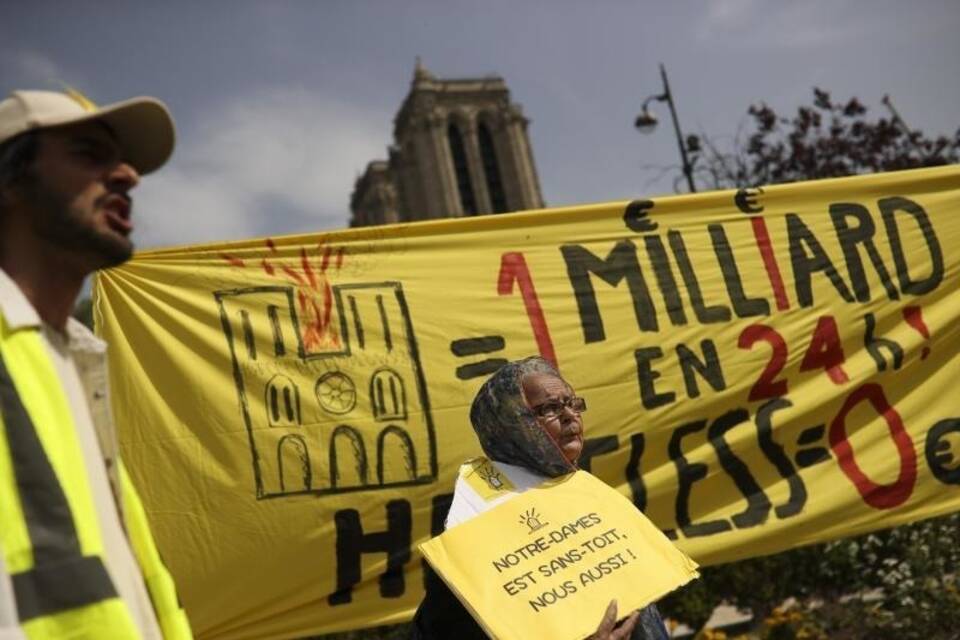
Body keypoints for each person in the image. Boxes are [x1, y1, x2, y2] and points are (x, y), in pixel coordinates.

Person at [0, 89, 191, 638]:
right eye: (89, 154)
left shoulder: (76, 363)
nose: (129, 175)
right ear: (9, 181)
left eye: (125, 161)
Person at [411, 356, 671, 640]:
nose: (570, 415)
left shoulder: (590, 497)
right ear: (509, 425)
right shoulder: (475, 519)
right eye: (549, 408)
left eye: (572, 403)